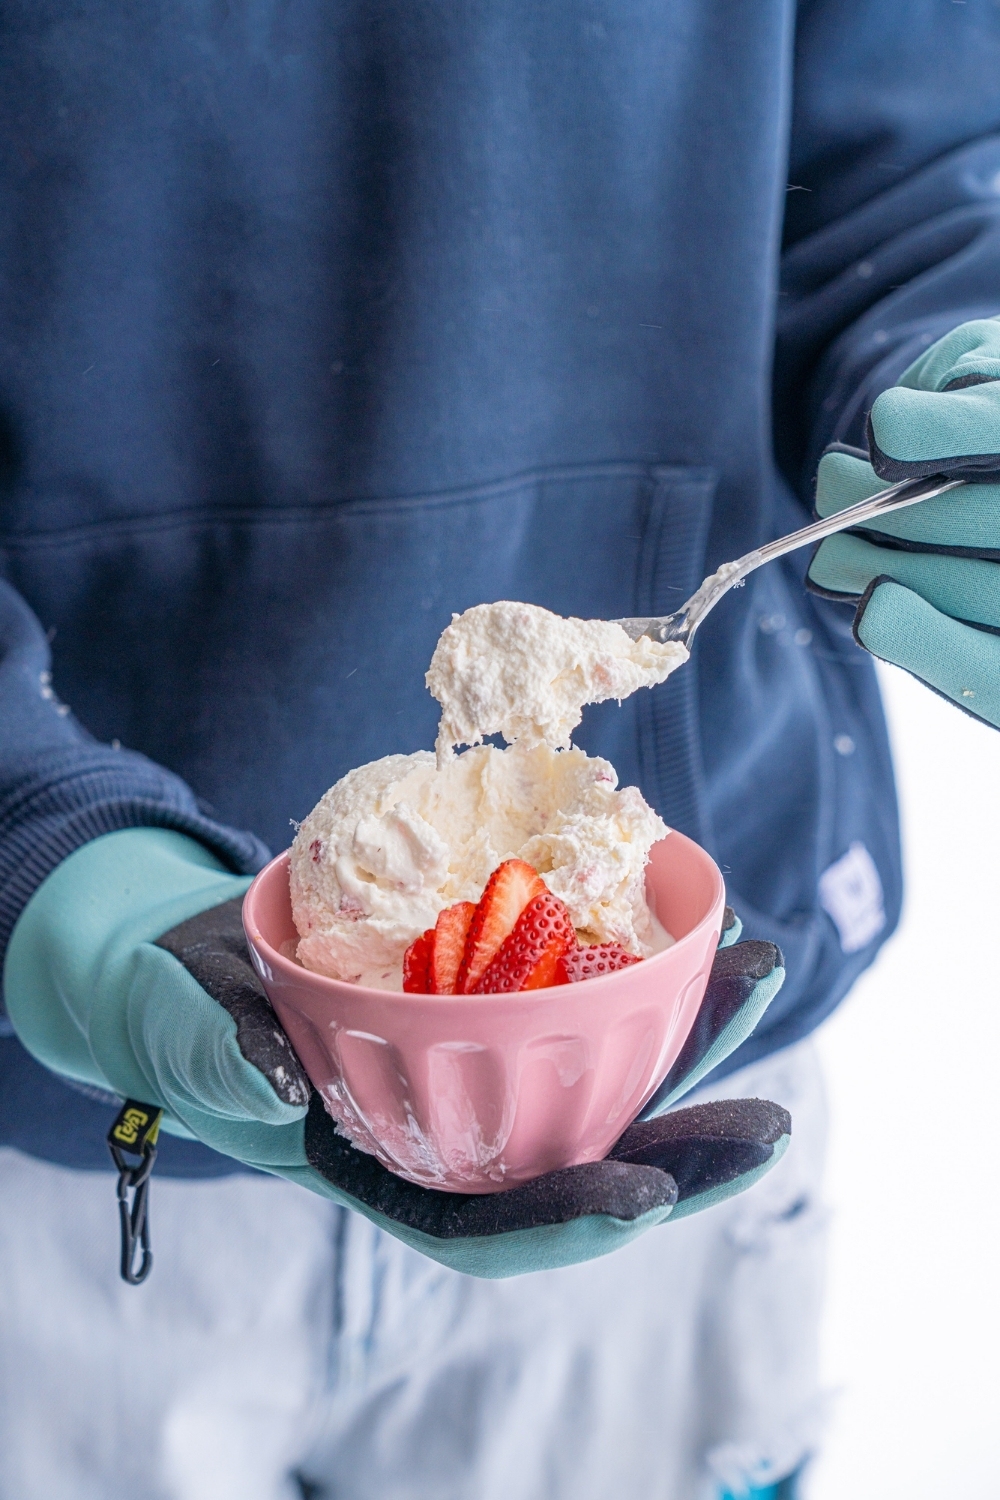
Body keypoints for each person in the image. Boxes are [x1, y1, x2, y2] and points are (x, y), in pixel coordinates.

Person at [1, 3, 999, 1497]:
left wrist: (951, 373)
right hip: (62, 1208)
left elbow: (910, 151)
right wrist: (36, 825)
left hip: (674, 1119)